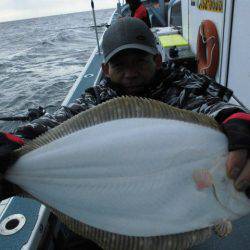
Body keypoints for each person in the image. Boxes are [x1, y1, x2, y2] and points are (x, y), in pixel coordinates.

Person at [0, 17, 250, 248]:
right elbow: (57, 122)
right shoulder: (95, 101)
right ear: (106, 70)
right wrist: (15, 142)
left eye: (140, 62)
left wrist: (237, 119)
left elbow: (213, 108)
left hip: (170, 213)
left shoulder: (181, 90)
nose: (131, 73)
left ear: (157, 61)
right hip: (113, 210)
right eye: (120, 65)